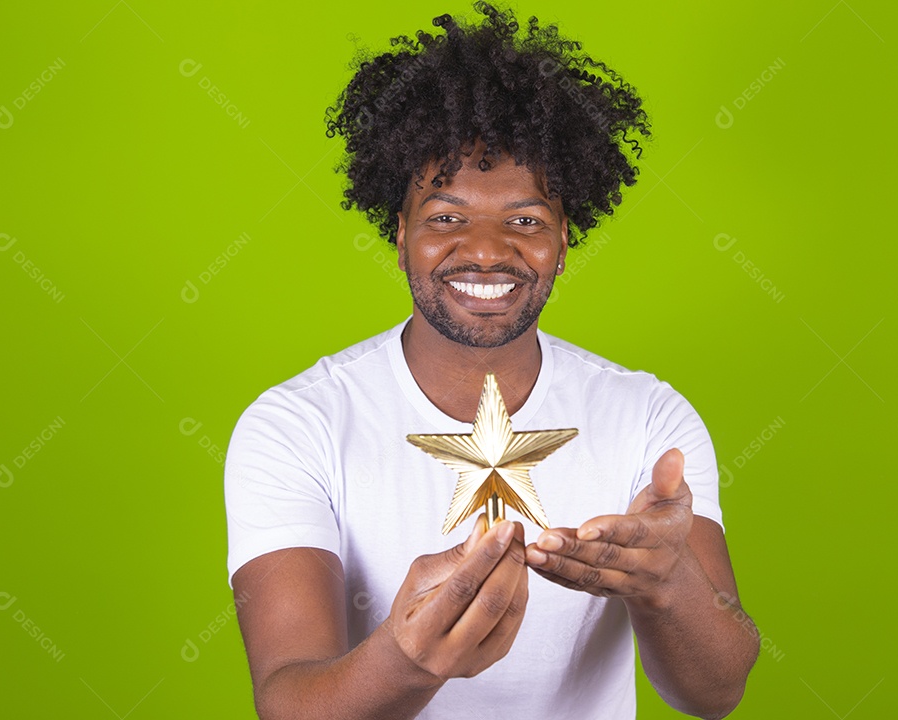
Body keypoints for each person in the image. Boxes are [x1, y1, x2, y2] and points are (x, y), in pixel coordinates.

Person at [224, 3, 760, 718]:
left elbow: (716, 692)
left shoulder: (648, 417)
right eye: (446, 217)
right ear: (400, 233)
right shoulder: (295, 426)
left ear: (565, 240)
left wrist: (666, 583)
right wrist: (408, 658)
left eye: (525, 221)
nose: (484, 249)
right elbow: (289, 702)